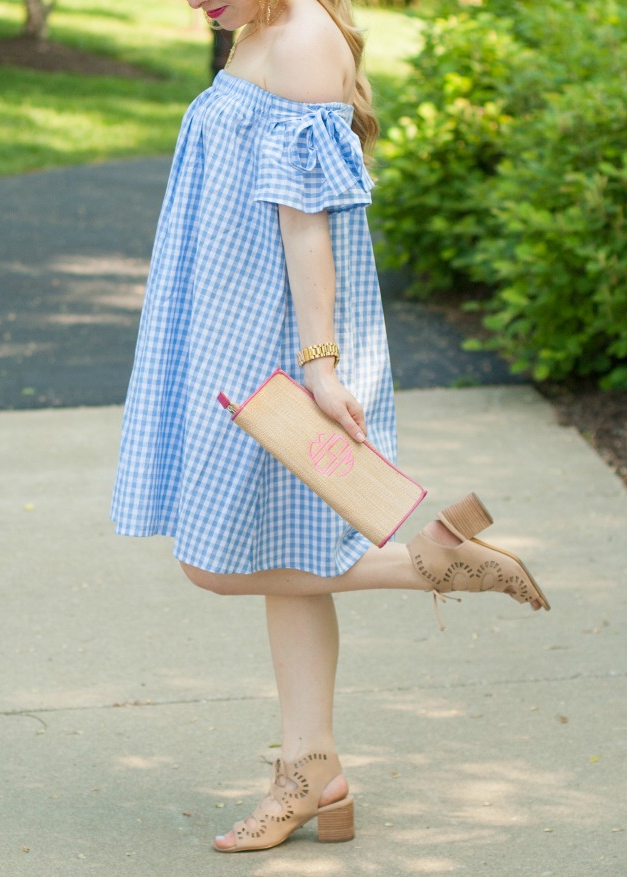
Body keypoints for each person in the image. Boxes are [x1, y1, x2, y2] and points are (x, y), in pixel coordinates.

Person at [111, 0, 550, 854]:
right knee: (286, 560)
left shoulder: (304, 33)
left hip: (272, 331)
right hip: (226, 313)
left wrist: (318, 362)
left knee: (216, 560)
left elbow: (306, 219)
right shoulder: (258, 26)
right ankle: (314, 770)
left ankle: (432, 559)